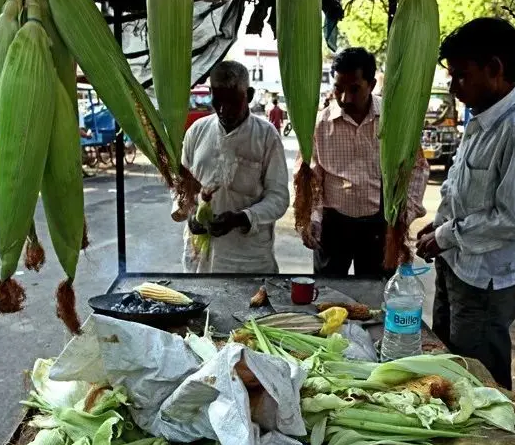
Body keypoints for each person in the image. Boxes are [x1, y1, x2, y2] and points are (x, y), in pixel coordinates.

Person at [415, 18, 515, 390]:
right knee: (450, 371)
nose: (453, 87)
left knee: (480, 385)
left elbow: (512, 219)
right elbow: (457, 188)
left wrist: (446, 235)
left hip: (483, 283)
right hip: (455, 268)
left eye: (461, 76)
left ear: (495, 69)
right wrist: (439, 225)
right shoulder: (480, 121)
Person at [299, 47, 429, 277]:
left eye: (354, 89)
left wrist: (401, 217)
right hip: (333, 226)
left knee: (374, 296)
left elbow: (417, 169)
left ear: (371, 84)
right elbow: (312, 177)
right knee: (327, 293)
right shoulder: (320, 124)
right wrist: (314, 218)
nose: (344, 98)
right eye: (338, 88)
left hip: (379, 227)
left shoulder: (394, 121)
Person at [174, 61, 290, 273]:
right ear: (210, 93)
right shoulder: (196, 131)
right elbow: (182, 187)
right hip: (201, 258)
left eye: (233, 102)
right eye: (217, 101)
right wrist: (191, 214)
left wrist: (242, 218)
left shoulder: (267, 137)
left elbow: (279, 198)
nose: (223, 110)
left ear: (250, 95)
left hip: (247, 260)